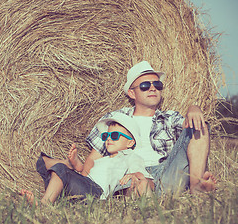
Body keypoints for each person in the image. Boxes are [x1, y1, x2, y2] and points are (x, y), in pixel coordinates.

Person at [78, 61, 217, 194]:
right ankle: (144, 194)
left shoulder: (169, 117)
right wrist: (86, 188)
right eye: (145, 85)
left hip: (167, 173)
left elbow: (191, 130)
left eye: (157, 84)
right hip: (129, 174)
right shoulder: (115, 119)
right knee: (133, 185)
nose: (152, 88)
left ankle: (196, 187)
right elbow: (93, 158)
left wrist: (194, 108)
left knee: (199, 126)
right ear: (132, 93)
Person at [20, 113, 154, 205]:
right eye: (106, 135)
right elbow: (85, 173)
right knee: (51, 169)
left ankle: (44, 204)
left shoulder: (130, 156)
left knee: (61, 169)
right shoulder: (103, 159)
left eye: (114, 135)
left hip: (96, 192)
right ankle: (57, 195)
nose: (108, 138)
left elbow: (142, 175)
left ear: (130, 143)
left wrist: (133, 174)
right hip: (85, 184)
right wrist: (77, 164)